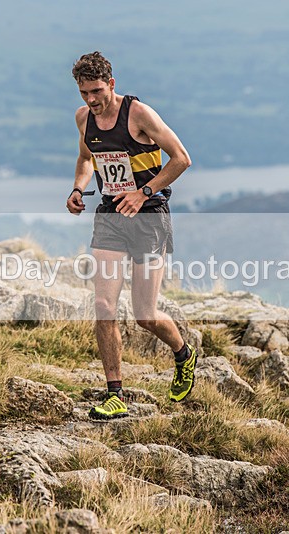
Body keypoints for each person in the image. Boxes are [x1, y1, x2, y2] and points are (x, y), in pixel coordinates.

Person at [66, 51, 196, 420]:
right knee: (105, 306)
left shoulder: (138, 114)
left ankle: (184, 354)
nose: (91, 100)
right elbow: (86, 159)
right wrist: (78, 189)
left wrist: (144, 192)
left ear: (111, 83)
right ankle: (115, 394)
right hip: (110, 215)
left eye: (96, 91)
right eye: (83, 93)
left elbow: (181, 158)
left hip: (149, 216)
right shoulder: (83, 119)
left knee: (144, 314)